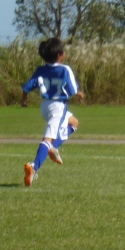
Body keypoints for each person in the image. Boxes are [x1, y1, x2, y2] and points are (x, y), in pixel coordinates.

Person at [20, 37, 83, 187]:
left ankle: (54, 147)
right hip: (58, 107)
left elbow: (27, 86)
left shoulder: (40, 70)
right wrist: (79, 94)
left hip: (45, 106)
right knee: (47, 139)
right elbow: (72, 89)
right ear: (60, 55)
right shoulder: (64, 69)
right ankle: (34, 167)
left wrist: (24, 99)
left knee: (74, 123)